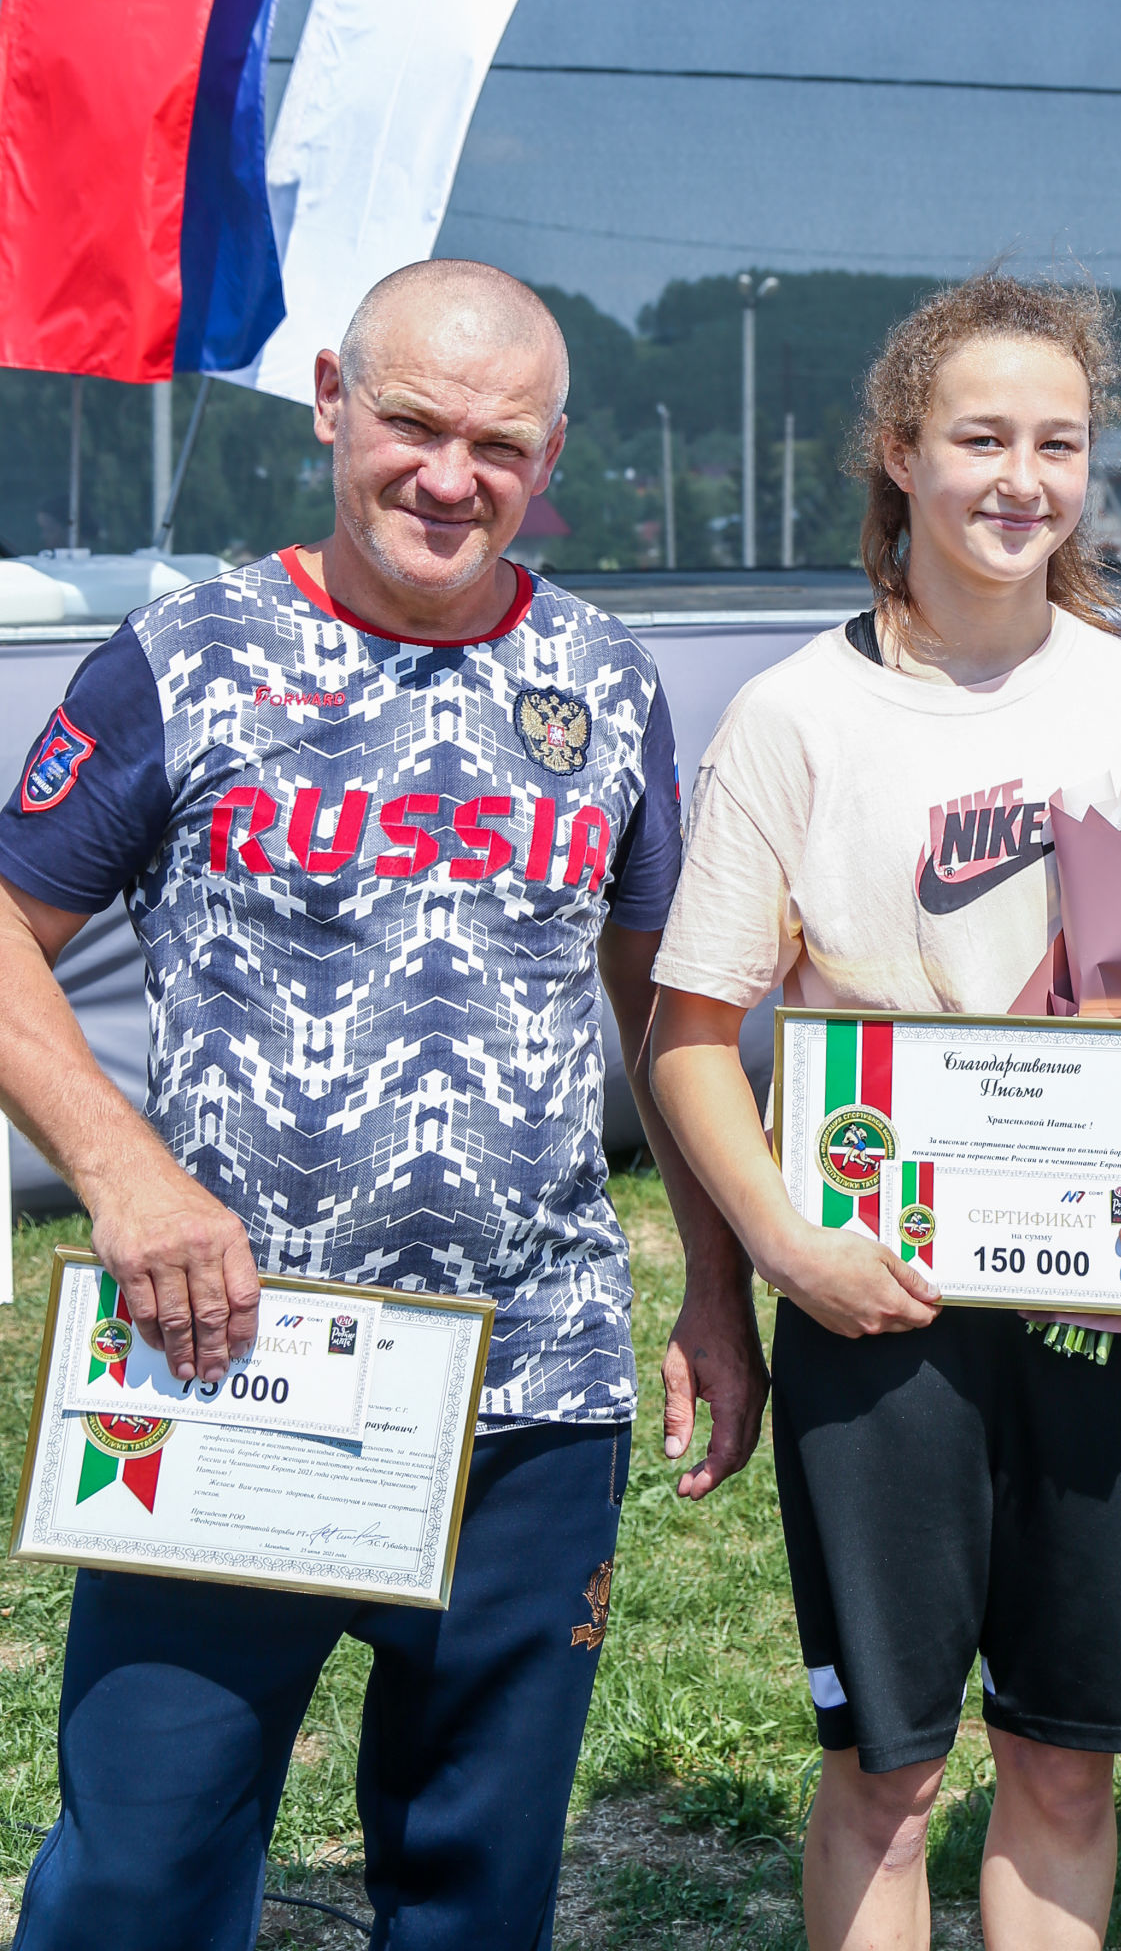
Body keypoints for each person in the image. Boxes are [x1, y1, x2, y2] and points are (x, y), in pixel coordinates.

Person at [0, 261, 767, 1951]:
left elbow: (667, 1017)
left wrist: (718, 1289)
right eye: (411, 423)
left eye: (498, 444)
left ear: (549, 452)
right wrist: (123, 1177)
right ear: (335, 397)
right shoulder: (186, 659)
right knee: (140, 1873)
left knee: (476, 1884)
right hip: (224, 1361)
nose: (448, 475)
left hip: (533, 1390)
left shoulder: (601, 678)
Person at [650, 272, 1121, 1951]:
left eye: (1060, 442)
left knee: (1063, 1765)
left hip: (1096, 1300)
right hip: (873, 1305)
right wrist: (784, 1249)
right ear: (899, 454)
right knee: (889, 1780)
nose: (1021, 478)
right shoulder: (794, 716)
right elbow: (693, 1036)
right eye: (982, 437)